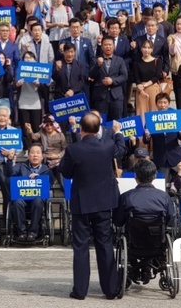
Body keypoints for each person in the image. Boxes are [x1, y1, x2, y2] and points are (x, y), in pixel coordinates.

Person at [59, 113, 125, 300]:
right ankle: (110, 289)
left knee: (81, 246)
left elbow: (66, 172)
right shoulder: (107, 145)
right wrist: (118, 132)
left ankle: (80, 291)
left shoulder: (74, 149)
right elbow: (121, 149)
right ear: (99, 130)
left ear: (81, 129)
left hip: (82, 202)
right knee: (104, 244)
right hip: (104, 203)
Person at [113, 159, 175, 285]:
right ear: (154, 177)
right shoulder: (164, 197)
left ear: (136, 176)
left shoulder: (126, 197)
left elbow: (118, 221)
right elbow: (171, 221)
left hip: (134, 243)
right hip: (157, 243)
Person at [4, 144, 51, 242]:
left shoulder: (46, 170)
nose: (35, 155)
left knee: (38, 201)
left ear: (42, 156)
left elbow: (48, 185)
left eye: (38, 153)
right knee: (17, 202)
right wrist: (9, 160)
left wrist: (39, 179)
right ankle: (22, 232)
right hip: (23, 198)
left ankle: (33, 232)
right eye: (32, 153)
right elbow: (9, 174)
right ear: (28, 155)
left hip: (37, 200)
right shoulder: (20, 166)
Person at [142, 92, 181, 183]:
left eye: (165, 102)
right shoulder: (151, 119)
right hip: (160, 158)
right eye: (160, 102)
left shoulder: (175, 118)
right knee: (163, 186)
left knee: (179, 184)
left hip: (176, 157)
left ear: (169, 104)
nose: (162, 105)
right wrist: (147, 136)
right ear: (156, 104)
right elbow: (146, 141)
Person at [89, 36, 128, 121]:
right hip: (100, 97)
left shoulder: (120, 60)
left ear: (113, 46)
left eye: (110, 45)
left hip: (116, 97)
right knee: (101, 122)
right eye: (106, 45)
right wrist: (97, 65)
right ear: (102, 46)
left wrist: (112, 81)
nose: (108, 47)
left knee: (117, 121)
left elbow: (124, 76)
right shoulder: (95, 60)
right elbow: (91, 76)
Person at [25, 114, 67, 187]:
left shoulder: (60, 135)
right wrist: (29, 130)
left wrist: (58, 155)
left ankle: (64, 189)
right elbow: (33, 137)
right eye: (47, 125)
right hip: (45, 159)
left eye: (51, 125)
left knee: (59, 169)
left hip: (58, 159)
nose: (49, 127)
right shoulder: (42, 133)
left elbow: (65, 149)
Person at [133, 39, 161, 124]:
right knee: (141, 113)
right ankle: (142, 136)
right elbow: (136, 78)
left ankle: (154, 135)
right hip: (140, 90)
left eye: (149, 48)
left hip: (153, 88)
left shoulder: (157, 61)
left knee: (153, 112)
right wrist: (141, 89)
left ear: (152, 49)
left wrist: (145, 85)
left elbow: (157, 76)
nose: (146, 50)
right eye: (144, 47)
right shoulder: (136, 62)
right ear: (141, 49)